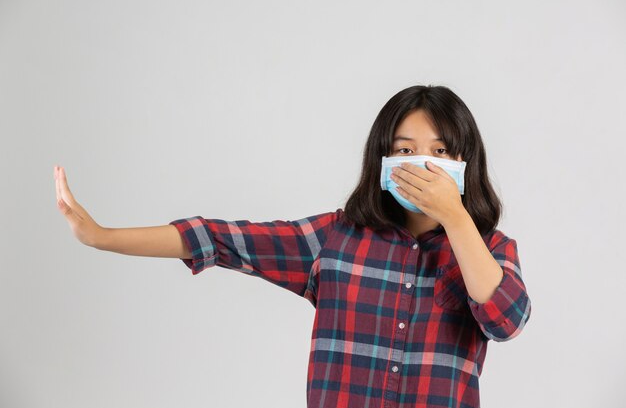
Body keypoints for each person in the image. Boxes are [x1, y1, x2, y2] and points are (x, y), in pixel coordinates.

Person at [54, 84, 531, 408]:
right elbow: (219, 238)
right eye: (404, 150)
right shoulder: (336, 238)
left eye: (440, 151)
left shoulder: (491, 249)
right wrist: (102, 237)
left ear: (465, 162)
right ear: (381, 159)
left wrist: (454, 216)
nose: (421, 163)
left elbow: (507, 320)